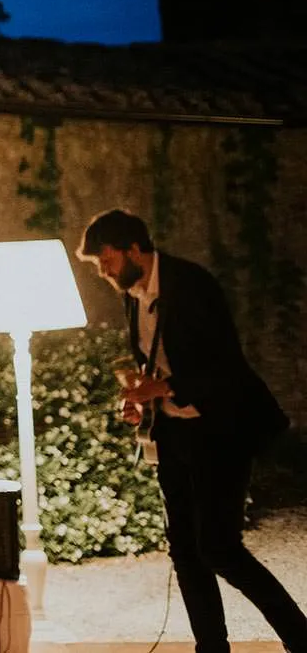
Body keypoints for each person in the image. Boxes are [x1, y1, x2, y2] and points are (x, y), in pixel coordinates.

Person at [76, 209, 306, 653]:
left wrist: (161, 386)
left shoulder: (191, 283)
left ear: (134, 250)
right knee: (184, 551)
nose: (102, 270)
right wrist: (138, 402)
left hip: (222, 428)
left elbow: (222, 365)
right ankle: (211, 648)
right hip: (174, 434)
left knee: (219, 547)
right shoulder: (133, 296)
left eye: (106, 259)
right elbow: (156, 363)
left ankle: (300, 637)